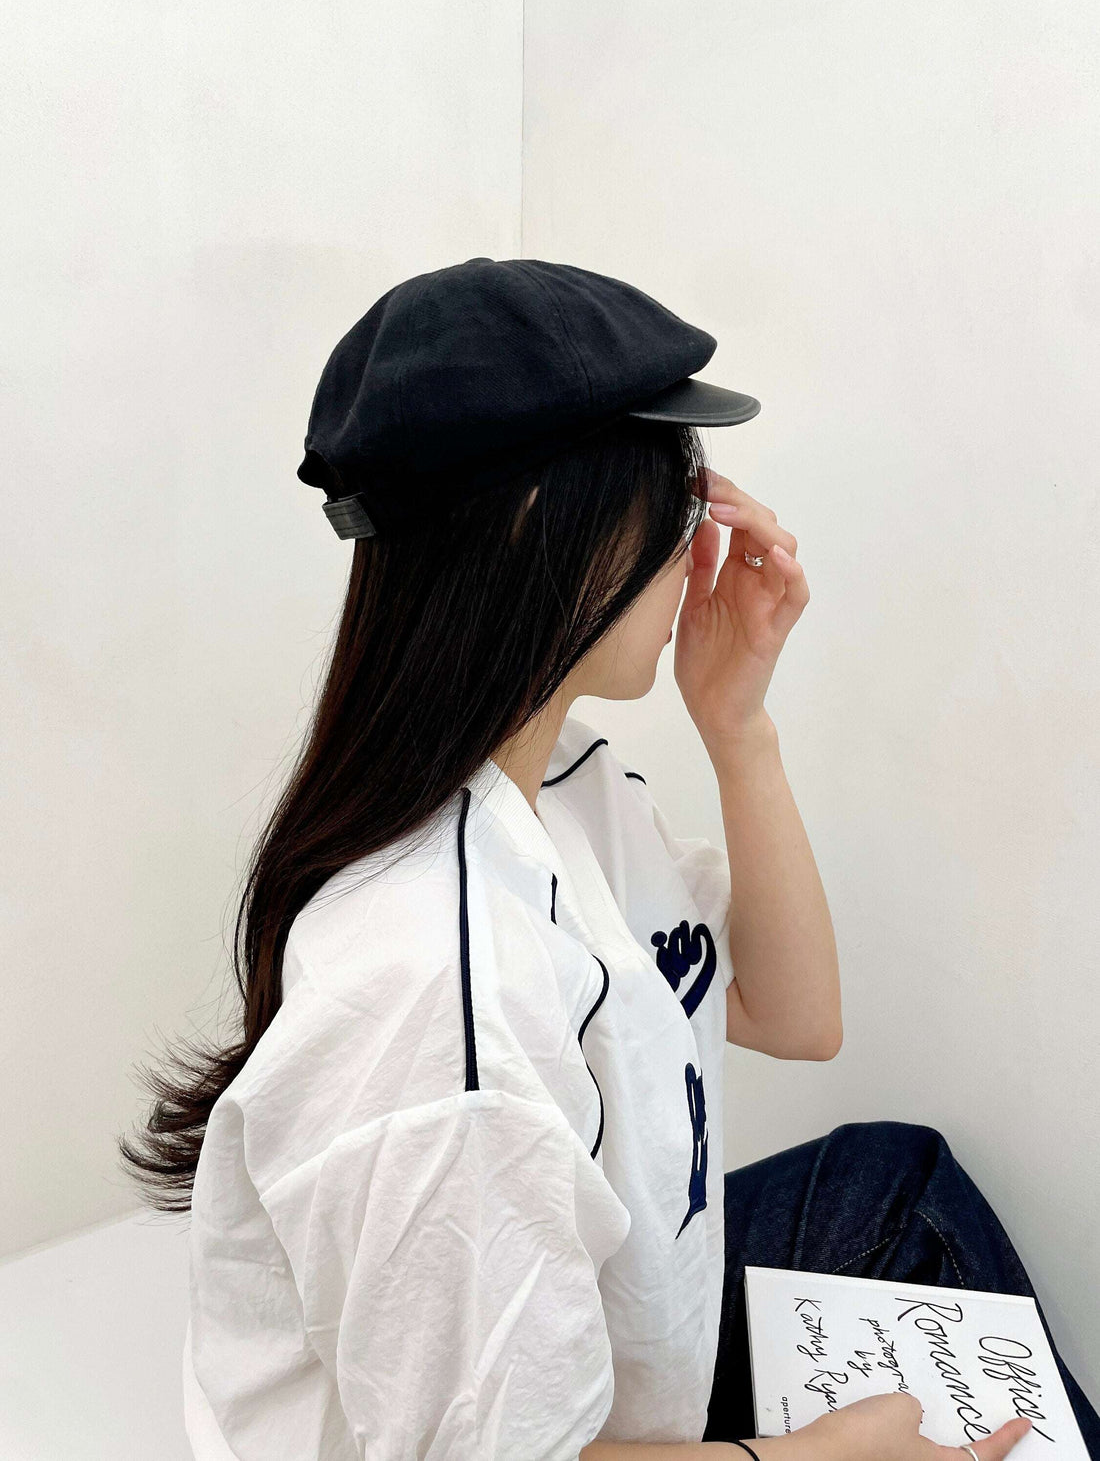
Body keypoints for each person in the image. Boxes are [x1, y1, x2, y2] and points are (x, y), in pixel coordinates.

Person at [118, 258, 1100, 1460]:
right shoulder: (439, 1002)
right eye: (674, 492)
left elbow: (794, 1019)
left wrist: (736, 723)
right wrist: (807, 1460)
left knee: (888, 1180)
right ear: (547, 525)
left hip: (625, 1343)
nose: (700, 539)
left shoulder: (557, 786)